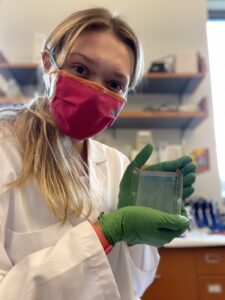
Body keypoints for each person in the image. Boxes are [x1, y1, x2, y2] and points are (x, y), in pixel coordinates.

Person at [0, 7, 196, 300]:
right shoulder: (6, 149)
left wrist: (133, 242)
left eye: (114, 84)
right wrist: (105, 234)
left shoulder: (117, 165)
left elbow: (127, 287)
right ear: (47, 63)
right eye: (80, 69)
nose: (95, 90)